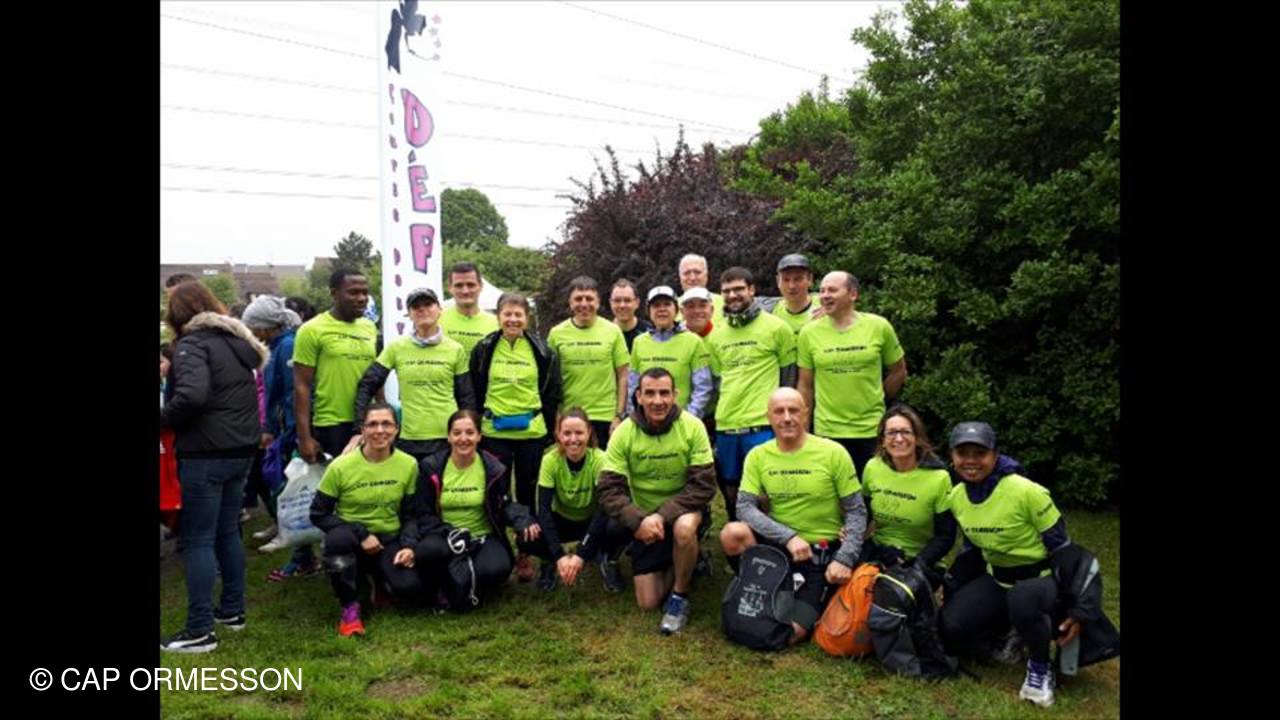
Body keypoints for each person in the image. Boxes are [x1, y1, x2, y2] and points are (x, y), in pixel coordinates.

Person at [937, 422, 1117, 708]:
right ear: (952, 457)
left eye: (979, 453)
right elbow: (972, 548)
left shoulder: (1027, 492)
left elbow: (1064, 548)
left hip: (1040, 578)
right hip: (998, 578)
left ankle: (1039, 669)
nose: (971, 461)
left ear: (995, 455)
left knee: (1023, 600)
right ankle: (1008, 636)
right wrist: (952, 583)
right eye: (963, 453)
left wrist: (1079, 607)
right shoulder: (957, 497)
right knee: (952, 624)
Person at [160, 282, 267, 653]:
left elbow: (192, 395)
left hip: (206, 452)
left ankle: (199, 629)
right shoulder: (235, 344)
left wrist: (163, 419)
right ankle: (233, 611)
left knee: (199, 539)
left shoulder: (192, 345)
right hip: (240, 449)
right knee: (226, 532)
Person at [719, 388, 866, 644]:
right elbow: (744, 507)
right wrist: (788, 537)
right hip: (779, 547)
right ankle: (752, 582)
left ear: (806, 414)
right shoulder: (758, 455)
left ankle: (803, 597)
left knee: (791, 633)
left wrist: (844, 558)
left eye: (793, 410)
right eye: (779, 411)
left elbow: (856, 510)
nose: (787, 418)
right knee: (732, 533)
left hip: (819, 554)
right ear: (769, 417)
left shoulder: (833, 453)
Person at [598, 368, 716, 635]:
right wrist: (637, 520)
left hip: (683, 511)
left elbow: (704, 485)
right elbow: (608, 489)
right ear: (638, 396)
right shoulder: (624, 432)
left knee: (684, 529)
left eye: (664, 393)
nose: (657, 401)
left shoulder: (693, 426)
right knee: (647, 602)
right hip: (645, 520)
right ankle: (688, 560)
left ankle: (679, 596)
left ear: (675, 395)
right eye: (650, 393)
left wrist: (662, 515)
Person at [309, 403, 424, 637]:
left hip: (389, 537)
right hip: (351, 538)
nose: (380, 430)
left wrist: (409, 545)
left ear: (397, 429)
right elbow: (318, 513)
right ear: (362, 430)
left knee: (409, 587)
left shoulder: (409, 464)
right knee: (337, 540)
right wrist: (361, 533)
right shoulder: (341, 466)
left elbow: (411, 513)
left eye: (386, 424)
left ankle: (380, 582)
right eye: (372, 424)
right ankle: (350, 608)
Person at [470, 291, 561, 582]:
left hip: (531, 432)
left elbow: (551, 391)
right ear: (498, 316)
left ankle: (525, 551)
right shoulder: (484, 348)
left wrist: (550, 428)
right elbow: (475, 387)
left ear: (527, 318)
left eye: (518, 314)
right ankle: (498, 548)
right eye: (507, 314)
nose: (512, 319)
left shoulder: (542, 350)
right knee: (497, 493)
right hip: (494, 432)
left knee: (527, 492)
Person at [410, 409, 541, 610]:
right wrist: (450, 533)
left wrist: (523, 519)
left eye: (470, 433)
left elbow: (504, 504)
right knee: (428, 552)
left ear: (479, 436)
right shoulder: (431, 466)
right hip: (444, 536)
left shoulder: (494, 467)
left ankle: (455, 585)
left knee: (498, 568)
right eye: (457, 433)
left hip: (482, 536)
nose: (463, 438)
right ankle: (459, 585)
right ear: (448, 436)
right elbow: (423, 512)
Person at [703, 267, 797, 523]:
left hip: (763, 425)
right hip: (727, 425)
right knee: (731, 488)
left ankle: (771, 540)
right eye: (726, 291)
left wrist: (784, 421)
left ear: (752, 290)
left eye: (738, 289)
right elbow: (719, 381)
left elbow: (789, 379)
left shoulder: (778, 328)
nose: (733, 295)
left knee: (765, 490)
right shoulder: (716, 335)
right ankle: (739, 539)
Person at [797, 271, 907, 478]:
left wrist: (879, 397)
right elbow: (805, 385)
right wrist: (803, 430)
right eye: (822, 291)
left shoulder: (879, 326)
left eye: (832, 290)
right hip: (828, 431)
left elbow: (898, 371)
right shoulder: (808, 333)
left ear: (853, 294)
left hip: (872, 430)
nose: (825, 295)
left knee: (873, 489)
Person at [356, 288, 476, 462]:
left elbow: (466, 397)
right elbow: (367, 384)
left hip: (447, 439)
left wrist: (469, 434)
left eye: (428, 304)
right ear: (409, 314)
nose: (422, 309)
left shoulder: (455, 349)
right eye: (416, 306)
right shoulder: (396, 348)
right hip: (409, 440)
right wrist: (360, 427)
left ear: (440, 310)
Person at [517, 408, 629, 592]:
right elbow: (544, 511)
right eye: (567, 433)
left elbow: (603, 510)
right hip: (562, 520)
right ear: (558, 435)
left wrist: (581, 554)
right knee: (526, 537)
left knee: (619, 523)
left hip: (592, 520)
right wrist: (559, 555)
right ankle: (549, 561)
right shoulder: (550, 460)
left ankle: (609, 560)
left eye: (579, 432)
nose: (573, 439)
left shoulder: (600, 459)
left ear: (589, 432)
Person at [239, 296, 310, 571]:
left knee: (295, 492)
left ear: (264, 326)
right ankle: (301, 552)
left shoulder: (288, 347)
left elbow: (293, 394)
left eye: (252, 327)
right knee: (285, 489)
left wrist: (292, 433)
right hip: (281, 428)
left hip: (290, 431)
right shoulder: (275, 347)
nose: (251, 332)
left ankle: (303, 557)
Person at [858, 405, 956, 588]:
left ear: (917, 438)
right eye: (891, 433)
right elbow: (864, 513)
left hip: (921, 559)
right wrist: (851, 530)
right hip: (880, 551)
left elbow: (946, 536)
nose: (898, 438)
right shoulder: (873, 467)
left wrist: (917, 564)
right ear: (883, 440)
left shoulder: (939, 478)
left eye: (905, 432)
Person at [293, 268, 378, 465]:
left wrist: (383, 409)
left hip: (368, 421)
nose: (361, 298)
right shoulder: (311, 330)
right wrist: (304, 438)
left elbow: (374, 375)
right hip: (331, 423)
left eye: (365, 292)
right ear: (334, 293)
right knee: (339, 481)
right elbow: (301, 386)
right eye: (353, 292)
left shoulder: (369, 327)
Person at [547, 276, 630, 447]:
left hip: (605, 417)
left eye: (589, 299)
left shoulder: (613, 331)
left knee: (604, 464)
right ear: (570, 303)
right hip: (570, 417)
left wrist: (619, 415)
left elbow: (623, 375)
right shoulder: (556, 334)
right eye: (578, 299)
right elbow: (551, 382)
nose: (584, 304)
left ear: (598, 302)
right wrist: (556, 417)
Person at [627, 285, 712, 420]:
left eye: (667, 304)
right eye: (656, 305)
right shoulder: (639, 342)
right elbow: (632, 386)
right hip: (647, 422)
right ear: (649, 311)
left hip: (681, 421)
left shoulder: (693, 341)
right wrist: (636, 417)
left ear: (676, 310)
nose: (662, 309)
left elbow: (703, 387)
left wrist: (689, 419)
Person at [439, 261, 499, 356]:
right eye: (459, 285)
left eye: (470, 285)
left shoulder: (497, 324)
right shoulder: (437, 321)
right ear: (450, 288)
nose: (465, 291)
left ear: (481, 286)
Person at [771, 254, 821, 334]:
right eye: (786, 280)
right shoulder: (772, 312)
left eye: (798, 279)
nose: (792, 286)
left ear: (810, 279)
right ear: (778, 282)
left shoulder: (825, 304)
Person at [677, 254, 725, 324]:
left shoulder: (724, 304)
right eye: (686, 273)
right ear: (680, 277)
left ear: (706, 275)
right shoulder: (671, 307)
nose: (692, 278)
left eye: (697, 272)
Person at [610, 278, 652, 353]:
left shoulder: (650, 333)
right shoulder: (602, 333)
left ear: (637, 303)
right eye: (617, 300)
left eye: (627, 300)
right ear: (610, 303)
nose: (622, 305)